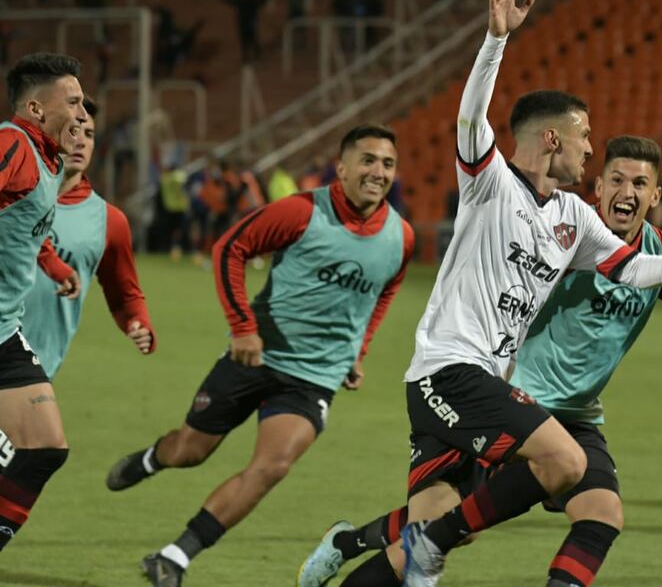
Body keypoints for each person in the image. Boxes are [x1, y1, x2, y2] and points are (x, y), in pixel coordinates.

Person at [379, 0, 662, 587]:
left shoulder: (572, 216)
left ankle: (388, 547)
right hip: (451, 368)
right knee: (550, 467)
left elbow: (629, 268)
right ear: (552, 139)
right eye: (585, 139)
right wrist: (495, 41)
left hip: (491, 382)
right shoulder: (489, 183)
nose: (590, 150)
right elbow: (471, 118)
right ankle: (425, 545)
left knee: (508, 509)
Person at [297, 135, 662, 586]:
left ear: (655, 196)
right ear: (598, 188)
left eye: (639, 184)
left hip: (575, 415)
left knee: (602, 515)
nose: (626, 193)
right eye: (616, 179)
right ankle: (354, 545)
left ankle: (352, 544)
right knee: (442, 526)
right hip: (512, 402)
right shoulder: (566, 235)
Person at [104, 125, 415, 586]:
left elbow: (384, 291)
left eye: (387, 164)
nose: (378, 171)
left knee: (272, 466)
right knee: (191, 451)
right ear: (343, 166)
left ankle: (175, 556)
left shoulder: (401, 237)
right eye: (367, 160)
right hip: (256, 356)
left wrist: (358, 351)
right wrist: (243, 329)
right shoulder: (302, 211)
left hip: (315, 377)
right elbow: (230, 248)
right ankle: (154, 458)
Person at [0, 52, 86, 551]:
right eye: (72, 102)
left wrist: (53, 265)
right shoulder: (12, 144)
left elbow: (23, 224)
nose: (80, 113)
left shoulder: (45, 158)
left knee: (45, 448)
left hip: (5, 332)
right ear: (36, 108)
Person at [21, 96, 156, 378]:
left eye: (89, 133)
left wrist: (139, 323)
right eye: (72, 130)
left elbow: (125, 295)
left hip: (37, 368)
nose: (80, 140)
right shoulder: (13, 194)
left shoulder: (109, 221)